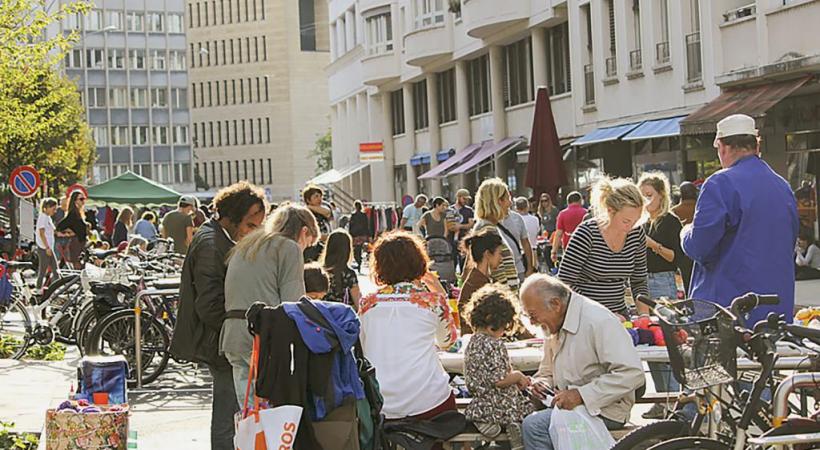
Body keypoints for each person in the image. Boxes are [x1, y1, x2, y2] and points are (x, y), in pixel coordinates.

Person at [170, 182, 267, 450]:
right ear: (232, 218)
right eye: (250, 225)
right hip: (220, 341)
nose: (253, 232)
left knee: (231, 412)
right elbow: (210, 304)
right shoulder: (212, 243)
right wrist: (237, 330)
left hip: (222, 338)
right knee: (228, 415)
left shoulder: (215, 237)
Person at [682, 114, 799, 326]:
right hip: (775, 309)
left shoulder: (720, 183)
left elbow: (699, 246)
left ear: (722, 147)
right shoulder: (782, 187)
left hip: (726, 310)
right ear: (757, 146)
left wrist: (686, 232)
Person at [520, 275, 644, 449]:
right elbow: (547, 371)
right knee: (519, 415)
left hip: (606, 409)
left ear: (556, 304)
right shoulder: (555, 322)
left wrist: (581, 395)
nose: (532, 322)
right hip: (570, 406)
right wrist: (542, 385)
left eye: (533, 315)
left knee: (534, 427)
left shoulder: (598, 320)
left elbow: (633, 373)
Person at [359, 231, 457, 437]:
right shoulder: (433, 301)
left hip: (381, 403)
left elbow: (364, 347)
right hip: (429, 402)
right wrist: (440, 292)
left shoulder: (367, 304)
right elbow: (448, 341)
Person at [221, 203, 319, 405]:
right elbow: (293, 303)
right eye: (308, 244)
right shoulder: (289, 248)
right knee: (272, 410)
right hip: (263, 337)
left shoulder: (248, 245)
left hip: (234, 335)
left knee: (249, 410)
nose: (305, 250)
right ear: (304, 231)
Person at [557, 177, 649, 316]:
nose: (631, 227)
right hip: (584, 315)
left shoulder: (637, 234)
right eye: (626, 221)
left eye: (636, 221)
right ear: (610, 211)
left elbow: (639, 281)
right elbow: (564, 283)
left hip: (619, 313)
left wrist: (644, 316)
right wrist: (600, 314)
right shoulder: (587, 234)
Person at [638, 172, 685, 419]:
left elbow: (674, 258)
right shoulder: (641, 221)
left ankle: (673, 399)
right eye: (642, 196)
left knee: (665, 341)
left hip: (662, 281)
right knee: (648, 338)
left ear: (661, 195)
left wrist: (652, 244)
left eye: (649, 195)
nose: (646, 201)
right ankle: (661, 399)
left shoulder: (670, 221)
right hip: (641, 282)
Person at [462, 285, 533, 450]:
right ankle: (515, 433)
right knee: (527, 409)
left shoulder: (472, 342)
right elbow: (499, 380)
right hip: (498, 402)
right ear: (494, 323)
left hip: (481, 402)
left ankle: (488, 422)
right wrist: (518, 376)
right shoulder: (494, 344)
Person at [473, 178, 520, 291]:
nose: (510, 203)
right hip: (501, 295)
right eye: (508, 198)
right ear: (498, 201)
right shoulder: (487, 230)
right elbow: (493, 271)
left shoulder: (488, 227)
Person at [457, 228, 505, 334]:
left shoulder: (481, 281)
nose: (501, 258)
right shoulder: (476, 285)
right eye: (499, 253)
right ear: (487, 254)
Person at [320, 229, 361, 311]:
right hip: (342, 316)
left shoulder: (320, 272)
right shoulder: (349, 274)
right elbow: (358, 304)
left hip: (322, 315)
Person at [550, 191, 587, 264]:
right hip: (584, 245)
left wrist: (554, 251)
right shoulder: (586, 213)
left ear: (568, 202)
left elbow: (558, 234)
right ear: (580, 201)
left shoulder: (562, 214)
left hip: (568, 246)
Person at [500, 207, 535, 282]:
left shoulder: (517, 218)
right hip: (499, 271)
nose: (510, 202)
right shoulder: (489, 220)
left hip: (518, 268)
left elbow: (525, 243)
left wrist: (530, 268)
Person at [56, 191, 89, 269]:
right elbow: (60, 227)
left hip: (80, 243)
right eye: (81, 199)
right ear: (75, 201)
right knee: (77, 266)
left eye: (84, 199)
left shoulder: (79, 213)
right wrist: (69, 233)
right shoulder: (73, 214)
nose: (83, 201)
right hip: (76, 243)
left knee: (80, 266)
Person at [302, 184, 332, 263]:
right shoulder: (305, 213)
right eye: (316, 197)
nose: (319, 199)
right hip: (312, 246)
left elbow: (327, 212)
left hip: (325, 244)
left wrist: (309, 206)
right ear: (308, 200)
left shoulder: (324, 207)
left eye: (320, 196)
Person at [35, 198, 59, 290]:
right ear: (47, 207)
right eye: (53, 209)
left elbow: (53, 231)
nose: (55, 211)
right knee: (43, 270)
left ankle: (57, 288)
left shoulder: (47, 217)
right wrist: (47, 247)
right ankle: (38, 289)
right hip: (44, 248)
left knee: (55, 269)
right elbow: (42, 233)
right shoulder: (43, 217)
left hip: (49, 248)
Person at [452, 189, 475, 272]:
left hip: (463, 238)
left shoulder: (469, 210)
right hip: (451, 238)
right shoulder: (449, 210)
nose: (465, 201)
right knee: (453, 260)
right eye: (464, 199)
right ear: (458, 197)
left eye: (467, 199)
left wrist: (460, 226)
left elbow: (471, 224)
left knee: (463, 260)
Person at [516, 197, 541, 268]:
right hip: (533, 251)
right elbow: (537, 232)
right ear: (528, 206)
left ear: (516, 208)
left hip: (519, 252)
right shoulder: (535, 219)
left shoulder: (515, 220)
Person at [347, 200, 371, 272]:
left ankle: (358, 262)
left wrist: (350, 234)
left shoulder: (353, 215)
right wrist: (368, 234)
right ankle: (359, 263)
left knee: (356, 250)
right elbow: (367, 225)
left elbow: (350, 226)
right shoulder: (364, 215)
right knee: (360, 249)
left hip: (355, 235)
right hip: (362, 234)